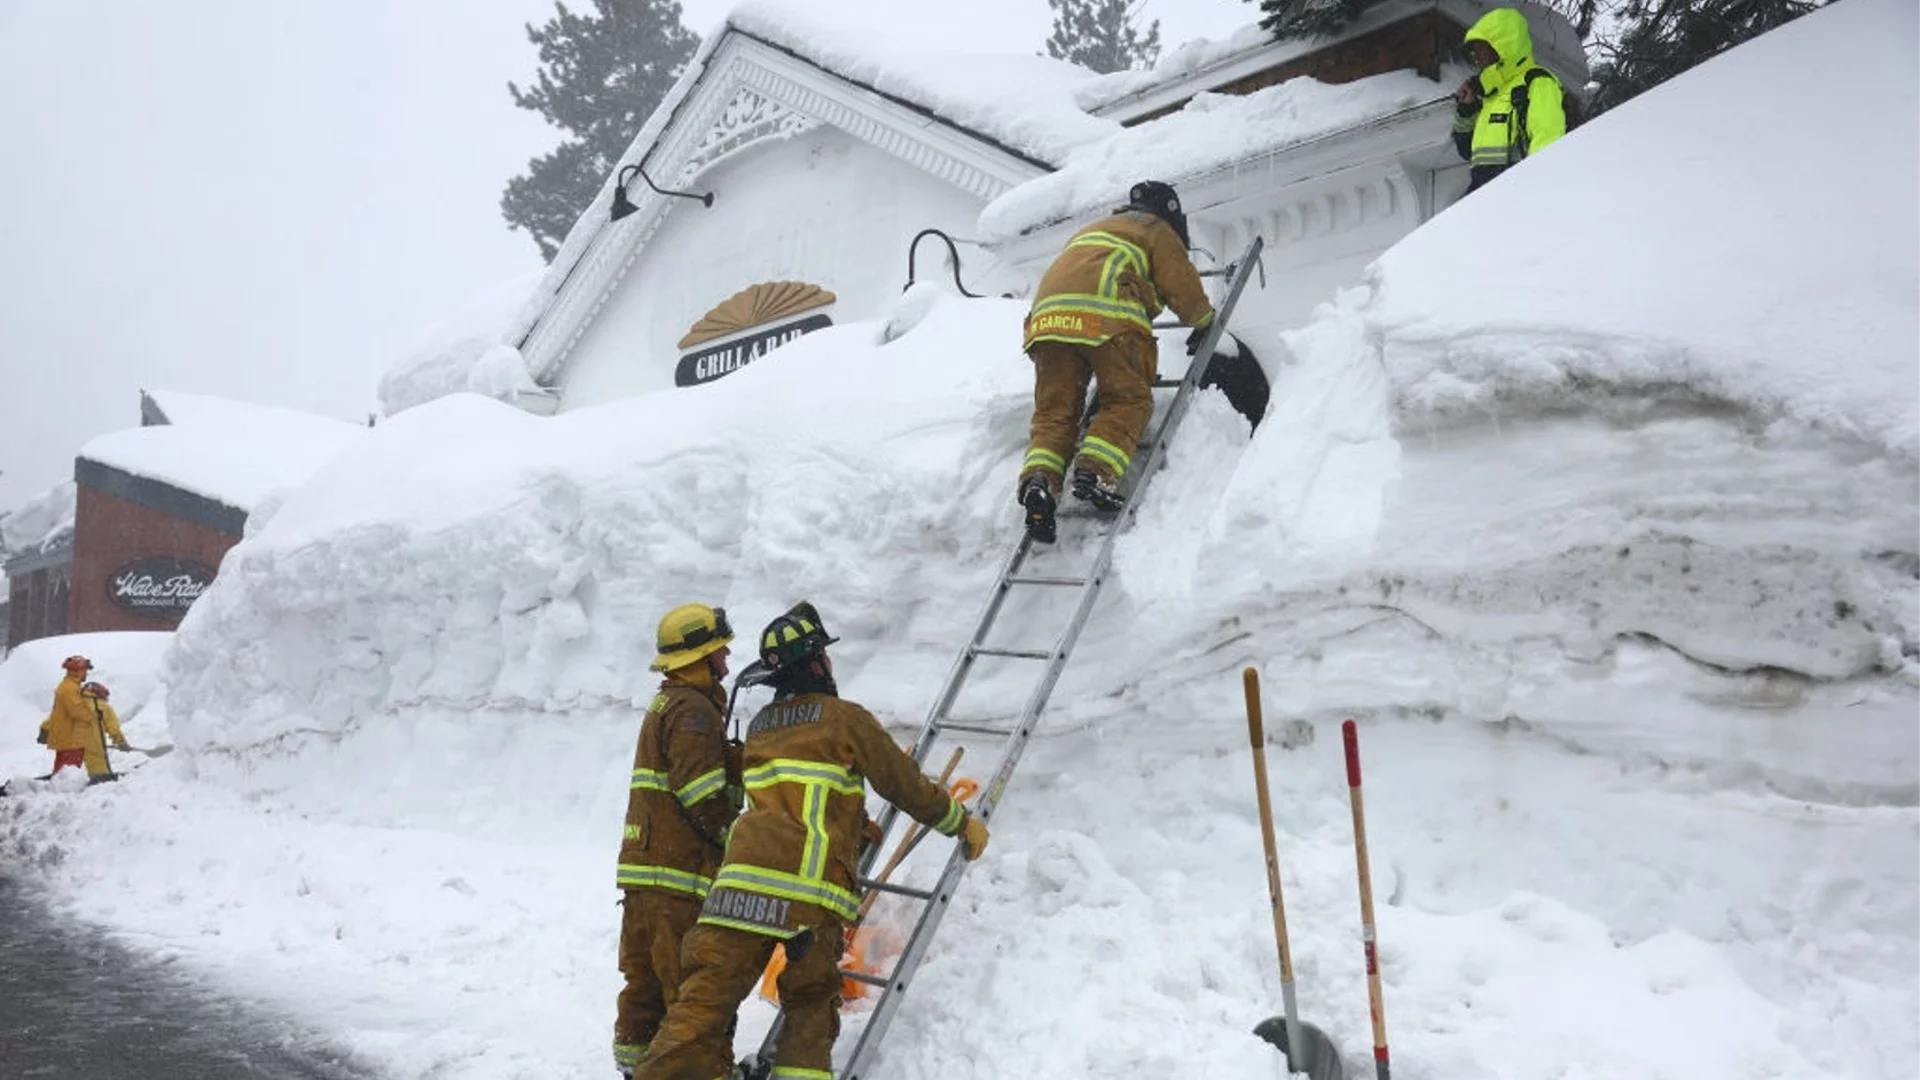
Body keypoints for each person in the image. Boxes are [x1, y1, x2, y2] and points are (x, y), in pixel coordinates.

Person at [632, 602, 990, 1080]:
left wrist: (853, 819)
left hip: (735, 892)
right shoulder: (845, 719)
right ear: (816, 663)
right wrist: (959, 823)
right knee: (810, 1006)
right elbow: (904, 785)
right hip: (805, 896)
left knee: (700, 1009)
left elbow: (796, 793)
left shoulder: (761, 728)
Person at [1017, 179, 1216, 543]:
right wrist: (1203, 322)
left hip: (1047, 323)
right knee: (1128, 399)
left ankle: (1039, 484)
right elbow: (1181, 285)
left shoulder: (1095, 229)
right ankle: (1095, 473)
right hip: (1105, 317)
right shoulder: (1155, 229)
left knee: (1055, 413)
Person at [613, 603, 745, 1077]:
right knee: (691, 991)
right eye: (720, 652)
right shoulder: (693, 710)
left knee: (644, 983)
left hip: (645, 870)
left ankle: (637, 1066)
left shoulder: (667, 702)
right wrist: (737, 837)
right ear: (701, 657)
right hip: (676, 876)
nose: (727, 661)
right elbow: (700, 792)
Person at [1452, 7, 1568, 194]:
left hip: (1517, 194)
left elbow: (1548, 141)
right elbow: (1467, 151)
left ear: (1501, 46)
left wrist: (1535, 195)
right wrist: (1467, 109)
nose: (1476, 58)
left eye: (1480, 49)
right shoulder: (1492, 97)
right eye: (1473, 53)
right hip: (1486, 195)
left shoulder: (1536, 82)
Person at [36, 655, 127, 783]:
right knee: (81, 779)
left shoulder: (74, 689)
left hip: (72, 743)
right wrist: (96, 718)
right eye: (85, 670)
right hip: (77, 743)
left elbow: (58, 714)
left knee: (65, 777)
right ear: (77, 671)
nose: (86, 673)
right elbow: (78, 712)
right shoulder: (71, 690)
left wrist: (45, 728)